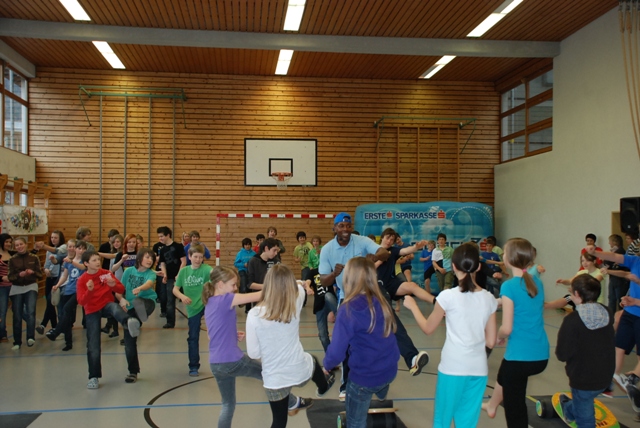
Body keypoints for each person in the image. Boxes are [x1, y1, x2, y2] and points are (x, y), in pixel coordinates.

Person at [319, 212, 429, 401]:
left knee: (390, 321)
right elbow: (323, 280)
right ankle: (346, 385)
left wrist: (376, 255)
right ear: (334, 228)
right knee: (347, 342)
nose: (345, 229)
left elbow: (385, 252)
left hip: (369, 291)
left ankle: (410, 357)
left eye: (348, 226)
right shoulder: (327, 249)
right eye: (341, 226)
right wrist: (333, 274)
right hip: (347, 296)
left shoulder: (361, 241)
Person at [404, 243, 497, 428]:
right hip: (478, 369)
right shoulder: (489, 298)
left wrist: (413, 306)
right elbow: (491, 341)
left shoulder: (448, 296)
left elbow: (428, 328)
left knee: (442, 420)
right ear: (478, 267)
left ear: (453, 267)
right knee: (467, 422)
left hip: (453, 368)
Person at [203, 265, 306, 427]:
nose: (235, 288)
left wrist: (232, 334)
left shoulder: (209, 303)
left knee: (228, 404)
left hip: (216, 364)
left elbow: (211, 334)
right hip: (232, 360)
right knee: (268, 374)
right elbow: (260, 295)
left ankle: (292, 402)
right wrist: (295, 284)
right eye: (233, 285)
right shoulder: (227, 299)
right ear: (220, 285)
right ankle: (292, 402)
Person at [246, 264, 334, 428]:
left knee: (279, 421)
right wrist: (301, 282)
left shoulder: (254, 314)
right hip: (298, 369)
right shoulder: (296, 300)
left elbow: (253, 353)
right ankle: (323, 386)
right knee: (312, 360)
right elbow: (299, 286)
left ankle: (296, 402)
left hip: (274, 378)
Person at [323, 257, 399, 428]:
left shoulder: (348, 309)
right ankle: (381, 390)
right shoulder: (381, 300)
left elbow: (336, 352)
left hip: (365, 379)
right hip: (390, 370)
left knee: (355, 421)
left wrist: (326, 366)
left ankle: (376, 390)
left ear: (348, 279)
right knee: (380, 380)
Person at [482, 238, 549, 427]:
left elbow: (507, 328)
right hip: (540, 355)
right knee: (504, 375)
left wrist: (498, 337)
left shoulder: (509, 286)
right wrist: (499, 301)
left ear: (510, 258)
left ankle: (496, 408)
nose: (502, 255)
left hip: (520, 357)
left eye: (504, 252)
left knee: (515, 408)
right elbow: (524, 303)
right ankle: (492, 406)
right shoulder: (536, 282)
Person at [555, 274, 615, 427]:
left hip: (583, 379)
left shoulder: (572, 320)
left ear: (576, 294)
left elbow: (562, 354)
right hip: (606, 376)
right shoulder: (607, 312)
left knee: (585, 417)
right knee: (583, 400)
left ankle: (571, 409)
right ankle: (569, 410)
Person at [585, 244, 640, 411]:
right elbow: (615, 257)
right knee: (618, 346)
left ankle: (633, 380)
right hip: (630, 313)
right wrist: (596, 253)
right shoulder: (635, 261)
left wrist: (636, 300)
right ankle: (609, 383)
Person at [76, 251, 140, 389]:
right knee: (93, 344)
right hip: (92, 310)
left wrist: (113, 285)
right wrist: (90, 290)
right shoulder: (82, 280)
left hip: (106, 304)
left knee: (114, 307)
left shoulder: (106, 273)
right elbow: (81, 301)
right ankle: (94, 376)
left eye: (98, 259)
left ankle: (128, 321)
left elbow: (121, 288)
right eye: (94, 260)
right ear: (86, 263)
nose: (98, 262)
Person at [117, 247, 158, 383]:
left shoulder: (151, 273)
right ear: (139, 258)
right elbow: (119, 290)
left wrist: (139, 288)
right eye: (147, 257)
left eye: (152, 258)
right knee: (129, 342)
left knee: (138, 301)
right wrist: (121, 299)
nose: (150, 260)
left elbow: (149, 284)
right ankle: (132, 372)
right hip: (130, 308)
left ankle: (137, 320)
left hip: (147, 303)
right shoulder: (128, 271)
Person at [173, 244, 213, 376]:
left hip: (207, 304)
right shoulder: (184, 271)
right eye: (195, 257)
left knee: (216, 332)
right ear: (189, 257)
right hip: (192, 308)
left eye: (200, 257)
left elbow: (215, 275)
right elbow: (175, 289)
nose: (198, 260)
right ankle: (194, 366)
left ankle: (221, 361)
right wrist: (182, 296)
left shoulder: (207, 269)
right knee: (193, 336)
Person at [45, 239, 86, 351]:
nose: (81, 251)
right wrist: (57, 285)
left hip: (79, 291)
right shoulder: (68, 262)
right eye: (79, 248)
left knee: (67, 309)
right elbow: (64, 276)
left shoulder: (85, 261)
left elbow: (83, 268)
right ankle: (68, 342)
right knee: (65, 315)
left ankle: (56, 331)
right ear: (75, 249)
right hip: (68, 289)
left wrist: (71, 262)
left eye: (83, 249)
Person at [376, 228, 435, 305]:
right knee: (384, 308)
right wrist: (381, 260)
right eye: (387, 238)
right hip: (376, 285)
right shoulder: (373, 249)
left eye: (392, 240)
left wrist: (416, 247)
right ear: (382, 237)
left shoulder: (393, 250)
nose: (389, 241)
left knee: (412, 285)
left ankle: (437, 302)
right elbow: (367, 268)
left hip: (390, 283)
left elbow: (405, 250)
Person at [7, 237, 44, 350]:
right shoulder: (12, 259)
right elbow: (10, 277)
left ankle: (30, 337)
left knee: (30, 312)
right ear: (15, 247)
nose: (19, 247)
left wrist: (32, 272)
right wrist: (19, 275)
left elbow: (40, 274)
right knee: (17, 315)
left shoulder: (34, 257)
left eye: (21, 244)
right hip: (17, 288)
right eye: (17, 245)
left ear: (26, 244)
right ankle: (17, 342)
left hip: (31, 286)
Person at [37, 230, 67, 335]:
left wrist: (43, 246)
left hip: (58, 279)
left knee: (52, 301)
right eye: (52, 237)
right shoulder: (48, 251)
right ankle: (54, 326)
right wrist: (46, 270)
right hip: (49, 278)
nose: (53, 239)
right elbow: (46, 265)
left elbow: (56, 252)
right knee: (50, 303)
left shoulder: (63, 248)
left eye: (56, 238)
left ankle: (44, 324)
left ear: (60, 239)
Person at [157, 226, 186, 329]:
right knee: (164, 298)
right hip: (168, 277)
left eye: (161, 236)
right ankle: (168, 317)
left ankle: (170, 322)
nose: (160, 238)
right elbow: (163, 263)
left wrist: (179, 274)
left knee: (170, 299)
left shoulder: (178, 246)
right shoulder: (162, 250)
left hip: (176, 277)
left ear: (168, 235)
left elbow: (183, 261)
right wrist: (164, 274)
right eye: (159, 237)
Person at [246, 238, 280, 314]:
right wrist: (267, 287)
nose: (276, 253)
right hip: (259, 300)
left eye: (277, 251)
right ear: (266, 248)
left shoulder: (276, 261)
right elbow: (250, 284)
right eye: (274, 250)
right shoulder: (253, 261)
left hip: (274, 299)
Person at [603, 234, 630, 314]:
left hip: (620, 280)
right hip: (613, 278)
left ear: (614, 242)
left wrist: (611, 254)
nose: (609, 243)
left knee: (619, 299)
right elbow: (606, 263)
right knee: (612, 299)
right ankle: (611, 316)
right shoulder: (615, 252)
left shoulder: (621, 252)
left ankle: (621, 316)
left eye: (610, 241)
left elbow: (608, 261)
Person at [0, 233, 14, 342]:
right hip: (2, 288)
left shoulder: (12, 254)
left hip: (14, 287)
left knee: (19, 309)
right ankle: (2, 334)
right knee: (2, 311)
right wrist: (2, 278)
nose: (8, 244)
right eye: (6, 242)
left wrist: (36, 249)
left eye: (10, 242)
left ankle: (35, 325)